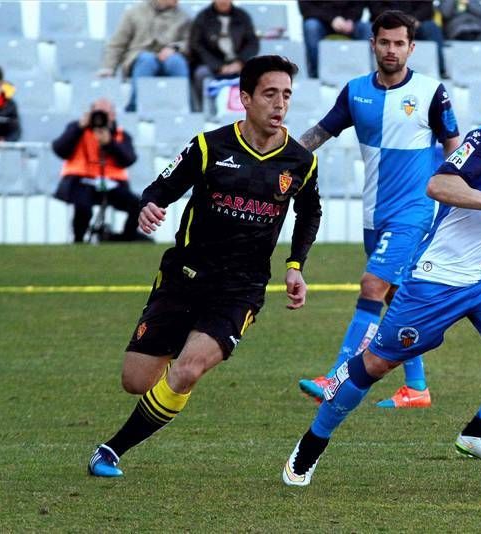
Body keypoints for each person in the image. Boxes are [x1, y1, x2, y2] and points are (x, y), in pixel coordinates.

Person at [282, 64, 481, 486]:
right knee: (375, 364)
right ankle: (312, 444)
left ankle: (478, 432)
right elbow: (439, 185)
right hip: (439, 277)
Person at [86, 55, 322, 477]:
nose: (280, 104)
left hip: (241, 288)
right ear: (245, 98)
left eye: (286, 95)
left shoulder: (300, 161)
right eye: (270, 94)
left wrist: (295, 265)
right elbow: (160, 187)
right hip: (184, 277)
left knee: (188, 370)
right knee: (136, 382)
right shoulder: (210, 145)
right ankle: (175, 360)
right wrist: (150, 206)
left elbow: (309, 213)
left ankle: (111, 450)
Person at [297, 10, 460, 409]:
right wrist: (277, 159)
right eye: (384, 42)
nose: (391, 50)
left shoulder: (431, 92)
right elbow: (319, 133)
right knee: (395, 298)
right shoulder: (355, 92)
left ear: (411, 47)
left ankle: (337, 376)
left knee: (372, 285)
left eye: (399, 43)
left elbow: (454, 146)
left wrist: (450, 198)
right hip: (375, 213)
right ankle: (417, 387)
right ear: (373, 44)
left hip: (415, 210)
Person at [52, 99, 143, 243]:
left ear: (113, 115)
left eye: (106, 113)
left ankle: (127, 238)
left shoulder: (121, 134)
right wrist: (79, 127)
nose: (101, 117)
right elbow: (60, 149)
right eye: (97, 113)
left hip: (112, 183)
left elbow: (129, 159)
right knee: (82, 206)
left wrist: (110, 143)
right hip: (81, 180)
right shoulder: (77, 129)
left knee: (138, 204)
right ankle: (79, 240)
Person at [99, 0, 191, 112]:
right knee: (147, 60)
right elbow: (117, 44)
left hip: (169, 58)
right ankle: (135, 107)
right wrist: (108, 67)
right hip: (139, 58)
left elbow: (190, 43)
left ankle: (182, 108)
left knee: (177, 62)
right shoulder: (134, 13)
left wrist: (175, 48)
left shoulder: (184, 17)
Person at [188, 0, 259, 112]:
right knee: (201, 74)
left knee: (259, 73)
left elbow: (252, 43)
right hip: (212, 63)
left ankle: (253, 111)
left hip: (238, 63)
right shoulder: (203, 17)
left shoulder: (242, 16)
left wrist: (240, 62)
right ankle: (204, 111)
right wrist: (218, 66)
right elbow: (197, 46)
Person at [370, 1, 448, 79]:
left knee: (431, 27)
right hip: (386, 22)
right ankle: (372, 71)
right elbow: (376, 8)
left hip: (415, 23)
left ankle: (441, 70)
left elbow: (427, 8)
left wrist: (413, 19)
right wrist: (396, 20)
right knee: (368, 28)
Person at [298, 1, 373, 79]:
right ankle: (316, 76)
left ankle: (365, 75)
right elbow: (306, 7)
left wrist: (351, 20)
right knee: (311, 27)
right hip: (321, 21)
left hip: (348, 22)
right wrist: (332, 19)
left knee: (367, 28)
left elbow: (359, 4)